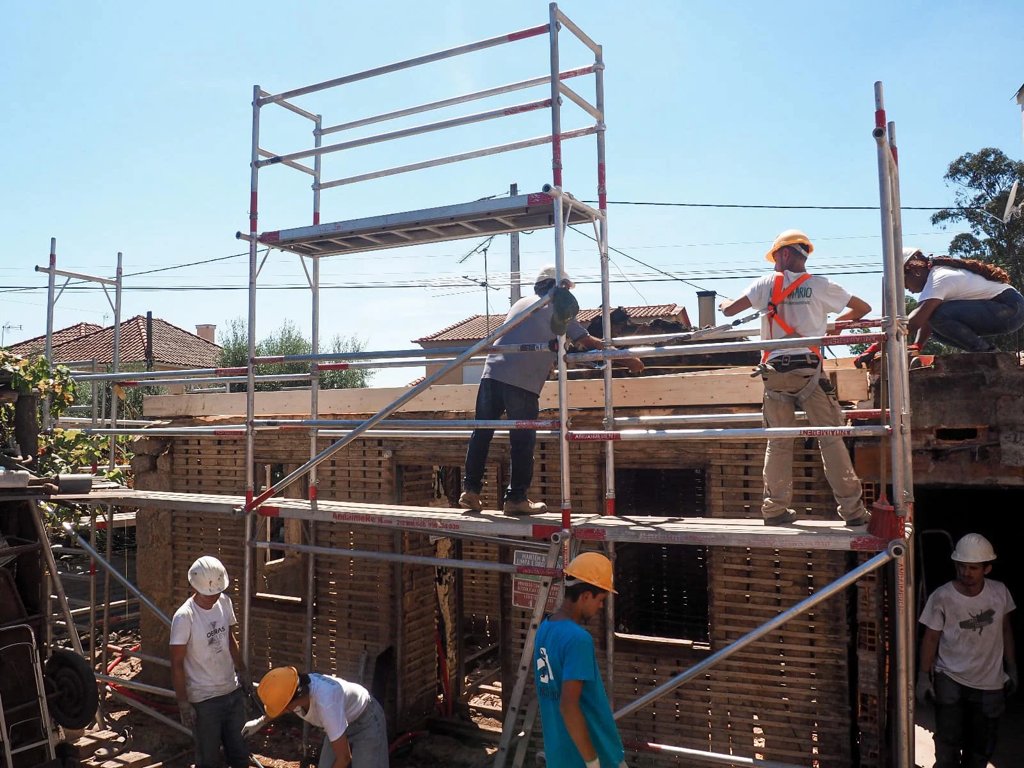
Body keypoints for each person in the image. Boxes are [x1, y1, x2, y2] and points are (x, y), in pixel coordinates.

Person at [459, 265, 643, 516]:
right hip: (521, 382)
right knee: (522, 440)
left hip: (491, 374)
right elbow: (587, 342)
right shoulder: (558, 307)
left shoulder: (522, 303)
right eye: (566, 287)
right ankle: (516, 499)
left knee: (482, 432)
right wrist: (628, 358)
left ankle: (470, 491)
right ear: (561, 287)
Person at [719, 229, 871, 526]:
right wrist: (837, 324)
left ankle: (775, 509)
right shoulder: (821, 285)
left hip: (775, 372)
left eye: (775, 256)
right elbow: (863, 309)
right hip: (810, 370)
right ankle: (853, 512)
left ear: (785, 253)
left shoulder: (764, 285)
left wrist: (725, 302)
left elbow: (729, 311)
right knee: (830, 439)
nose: (774, 262)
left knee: (778, 441)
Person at [917, 533, 1017, 768]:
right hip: (950, 678)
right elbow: (930, 638)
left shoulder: (999, 593)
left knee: (981, 747)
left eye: (973, 568)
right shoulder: (942, 596)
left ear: (987, 569)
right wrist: (923, 677)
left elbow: (1006, 630)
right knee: (947, 744)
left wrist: (1011, 668)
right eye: (962, 567)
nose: (966, 573)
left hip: (988, 681)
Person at [533, 552, 627, 768]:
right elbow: (568, 705)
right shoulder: (578, 639)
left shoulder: (545, 628)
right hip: (591, 756)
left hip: (559, 756)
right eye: (600, 600)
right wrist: (592, 761)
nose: (601, 606)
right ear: (585, 595)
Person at [170, 555, 250, 768]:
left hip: (231, 691)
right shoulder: (184, 617)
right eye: (209, 594)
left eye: (217, 592)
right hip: (204, 700)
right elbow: (177, 663)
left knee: (240, 754)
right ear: (195, 587)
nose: (214, 597)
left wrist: (242, 670)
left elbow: (230, 640)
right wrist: (183, 702)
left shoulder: (224, 602)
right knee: (209, 760)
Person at [256, 666, 388, 768]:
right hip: (340, 720)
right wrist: (260, 721)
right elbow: (280, 707)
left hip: (365, 721)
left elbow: (344, 757)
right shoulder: (296, 688)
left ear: (292, 702)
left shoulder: (326, 704)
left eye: (284, 707)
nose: (283, 711)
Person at [903, 247, 1024, 352]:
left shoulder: (939, 278)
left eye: (904, 283)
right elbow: (925, 319)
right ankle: (985, 352)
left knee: (938, 315)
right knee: (935, 328)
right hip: (1009, 310)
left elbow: (915, 322)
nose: (906, 288)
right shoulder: (935, 280)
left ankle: (987, 352)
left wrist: (889, 332)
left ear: (915, 271)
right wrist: (917, 345)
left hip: (1010, 307)